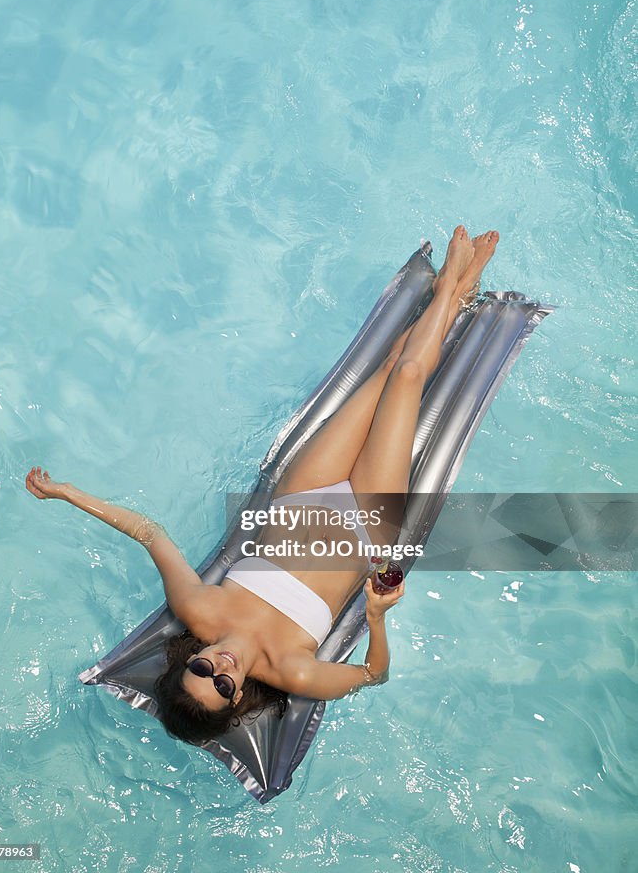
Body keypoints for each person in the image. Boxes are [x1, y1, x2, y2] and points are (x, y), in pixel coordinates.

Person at [26, 225, 498, 745]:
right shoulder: (292, 672)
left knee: (389, 368)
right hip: (365, 522)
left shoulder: (199, 612)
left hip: (303, 496)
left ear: (190, 661)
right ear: (237, 696)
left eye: (200, 670)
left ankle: (457, 293)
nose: (217, 667)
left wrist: (69, 494)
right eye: (222, 684)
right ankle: (454, 285)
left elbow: (149, 532)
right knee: (408, 379)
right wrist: (378, 617)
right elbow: (372, 676)